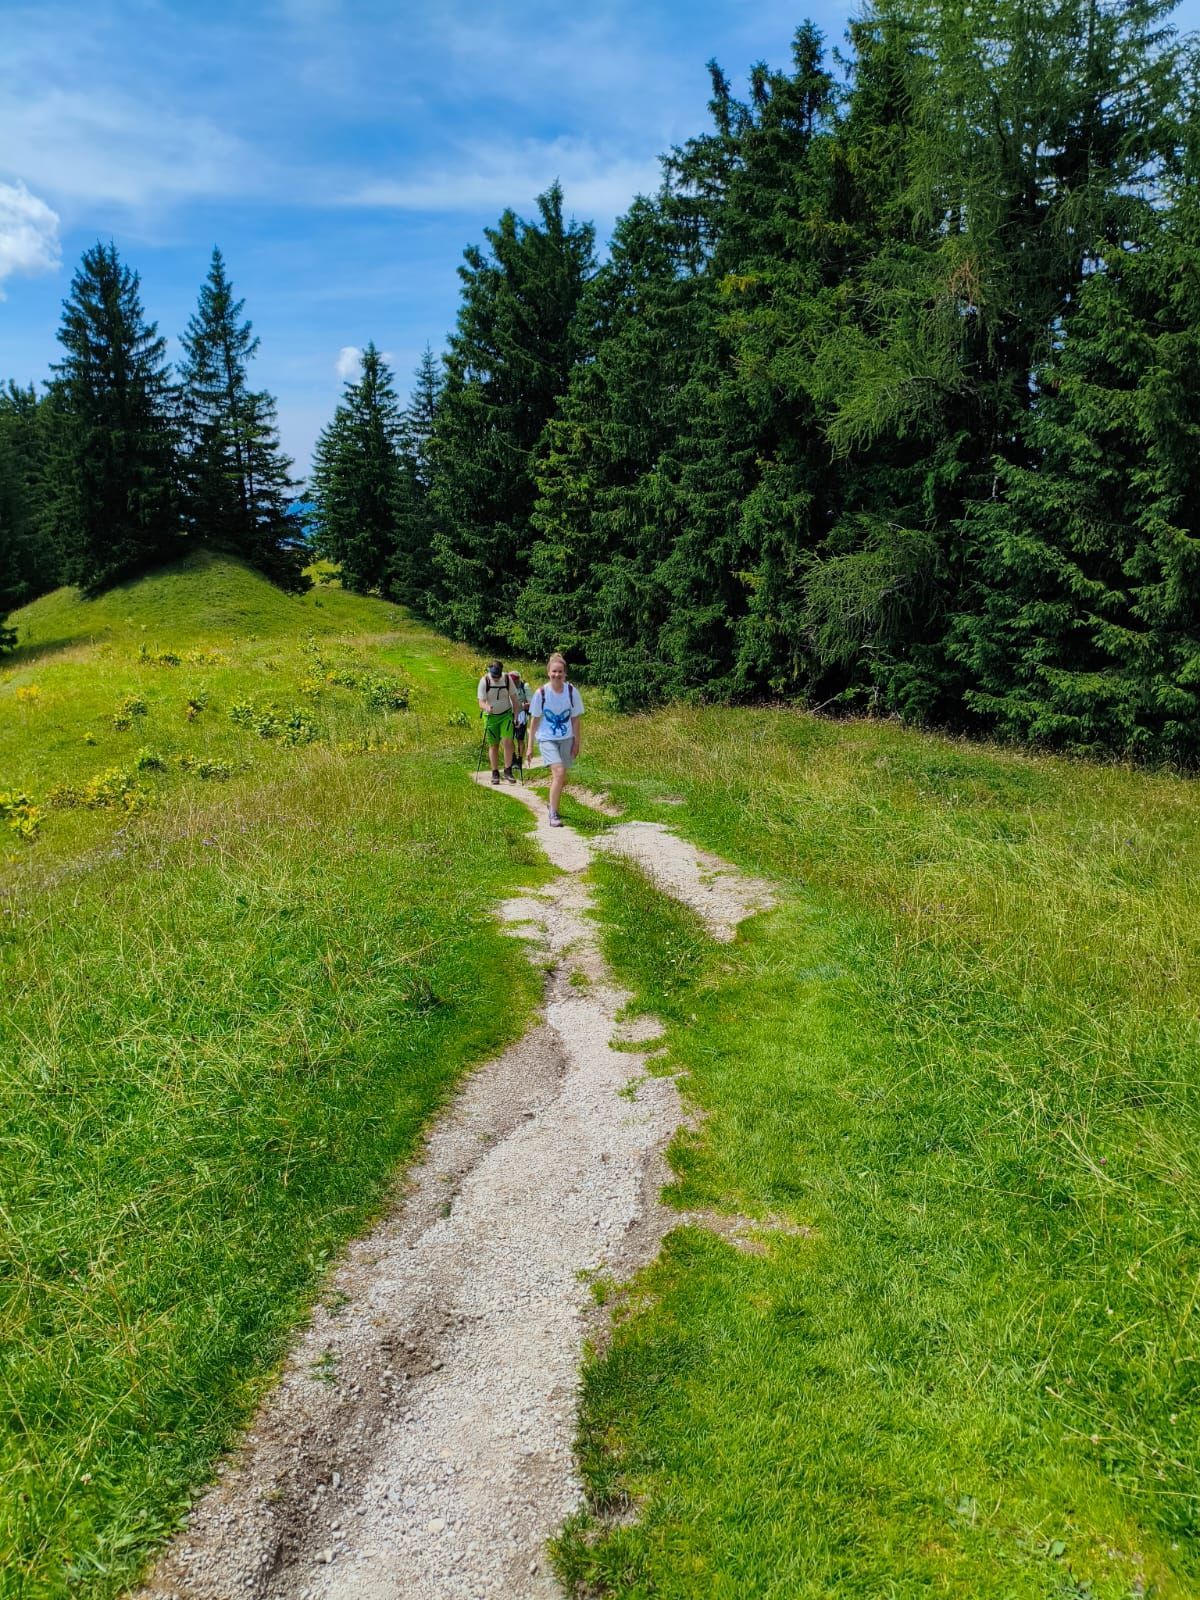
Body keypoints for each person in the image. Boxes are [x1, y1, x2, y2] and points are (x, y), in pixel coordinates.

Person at [527, 652, 584, 826]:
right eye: (554, 671)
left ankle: (552, 804)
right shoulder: (541, 693)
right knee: (558, 772)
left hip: (566, 737)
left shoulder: (572, 692)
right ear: (548, 672)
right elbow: (535, 720)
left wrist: (576, 742)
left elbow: (575, 719)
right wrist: (529, 747)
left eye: (560, 672)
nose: (557, 675)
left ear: (565, 673)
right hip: (546, 738)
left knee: (561, 776)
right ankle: (553, 813)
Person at [477, 660, 517, 783]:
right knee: (493, 745)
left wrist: (515, 716)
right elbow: (481, 702)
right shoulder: (485, 681)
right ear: (490, 672)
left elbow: (515, 700)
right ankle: (495, 773)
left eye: (497, 675)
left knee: (507, 741)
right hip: (490, 717)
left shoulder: (507, 679)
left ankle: (508, 771)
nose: (496, 678)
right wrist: (486, 707)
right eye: (494, 675)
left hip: (506, 715)